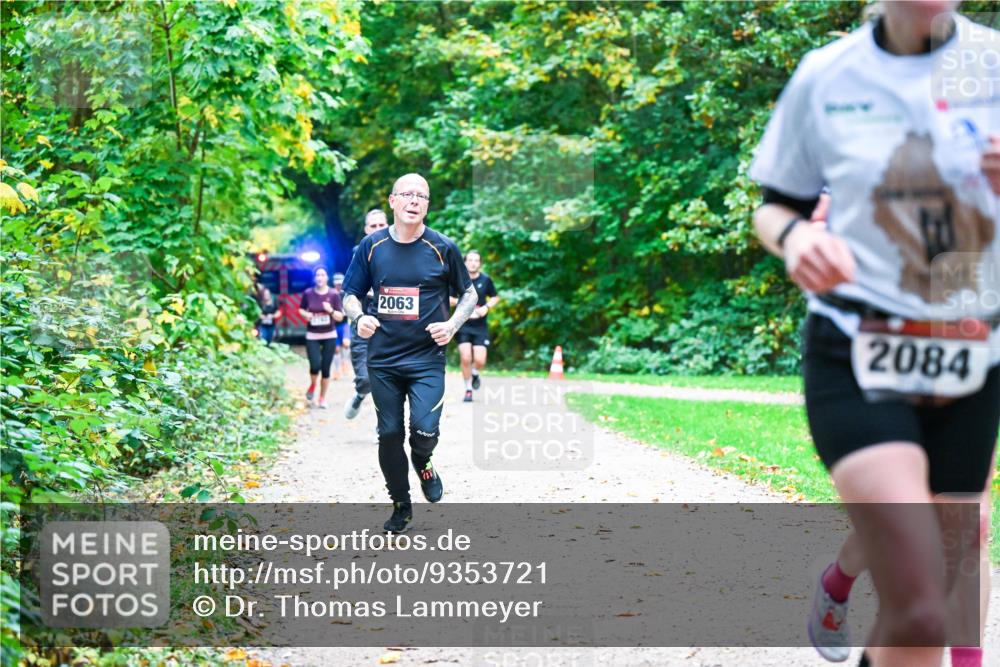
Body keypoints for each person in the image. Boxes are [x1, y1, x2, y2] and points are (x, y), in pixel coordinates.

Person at [749, 3, 999, 666]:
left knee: (954, 552)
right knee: (920, 601)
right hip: (858, 346)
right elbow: (775, 207)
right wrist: (799, 236)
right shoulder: (829, 76)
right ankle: (842, 584)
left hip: (969, 350)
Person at [343, 173, 477, 533]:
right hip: (384, 360)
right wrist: (359, 318)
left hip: (426, 360)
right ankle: (401, 504)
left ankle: (423, 461)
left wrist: (451, 326)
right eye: (407, 194)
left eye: (422, 196)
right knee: (388, 434)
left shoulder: (443, 247)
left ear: (428, 205)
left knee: (423, 431)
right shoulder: (370, 247)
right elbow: (350, 294)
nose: (414, 201)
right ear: (392, 201)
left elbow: (470, 295)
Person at [345, 209, 389, 420]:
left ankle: (383, 427)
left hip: (390, 327)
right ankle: (360, 393)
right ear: (365, 230)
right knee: (365, 379)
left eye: (382, 225)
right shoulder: (358, 252)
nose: (378, 230)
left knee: (388, 381)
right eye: (373, 226)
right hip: (362, 325)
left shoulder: (400, 251)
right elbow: (349, 292)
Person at [450, 250, 499, 402]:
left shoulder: (486, 279)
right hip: (463, 323)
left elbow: (495, 297)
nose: (473, 263)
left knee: (480, 360)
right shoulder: (459, 279)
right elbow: (449, 298)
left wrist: (486, 307)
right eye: (470, 260)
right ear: (465, 262)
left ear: (480, 263)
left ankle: (475, 372)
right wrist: (466, 308)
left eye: (476, 260)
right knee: (465, 357)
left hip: (480, 326)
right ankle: (468, 389)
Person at [299, 267, 344, 409]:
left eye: (322, 275)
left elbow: (340, 316)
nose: (320, 277)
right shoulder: (308, 293)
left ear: (326, 278)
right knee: (315, 365)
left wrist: (330, 310)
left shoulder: (333, 294)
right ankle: (313, 385)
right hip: (312, 335)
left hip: (329, 334)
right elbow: (301, 309)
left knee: (325, 368)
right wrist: (306, 315)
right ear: (314, 278)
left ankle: (322, 398)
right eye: (317, 275)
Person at [332, 272, 350, 380]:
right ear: (334, 284)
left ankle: (345, 363)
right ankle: (337, 370)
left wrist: (345, 312)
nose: (339, 285)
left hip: (344, 324)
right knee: (336, 349)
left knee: (346, 343)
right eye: (337, 284)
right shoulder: (331, 294)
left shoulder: (346, 294)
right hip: (333, 325)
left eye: (340, 283)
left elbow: (352, 307)